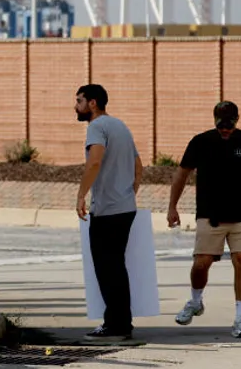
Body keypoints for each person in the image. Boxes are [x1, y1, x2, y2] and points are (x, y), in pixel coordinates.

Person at [168, 101, 241, 339]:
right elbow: (182, 173)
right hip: (210, 215)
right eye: (221, 126)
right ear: (214, 121)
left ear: (237, 120)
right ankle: (195, 301)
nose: (225, 130)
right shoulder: (200, 142)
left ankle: (240, 319)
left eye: (229, 126)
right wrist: (172, 206)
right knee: (201, 263)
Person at [75, 84, 142, 344]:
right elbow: (139, 166)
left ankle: (115, 325)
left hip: (106, 211)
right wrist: (128, 191)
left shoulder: (97, 127)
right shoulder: (120, 125)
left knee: (107, 269)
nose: (76, 106)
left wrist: (82, 195)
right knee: (116, 267)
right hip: (125, 208)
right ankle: (121, 323)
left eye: (79, 100)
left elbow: (94, 161)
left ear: (92, 103)